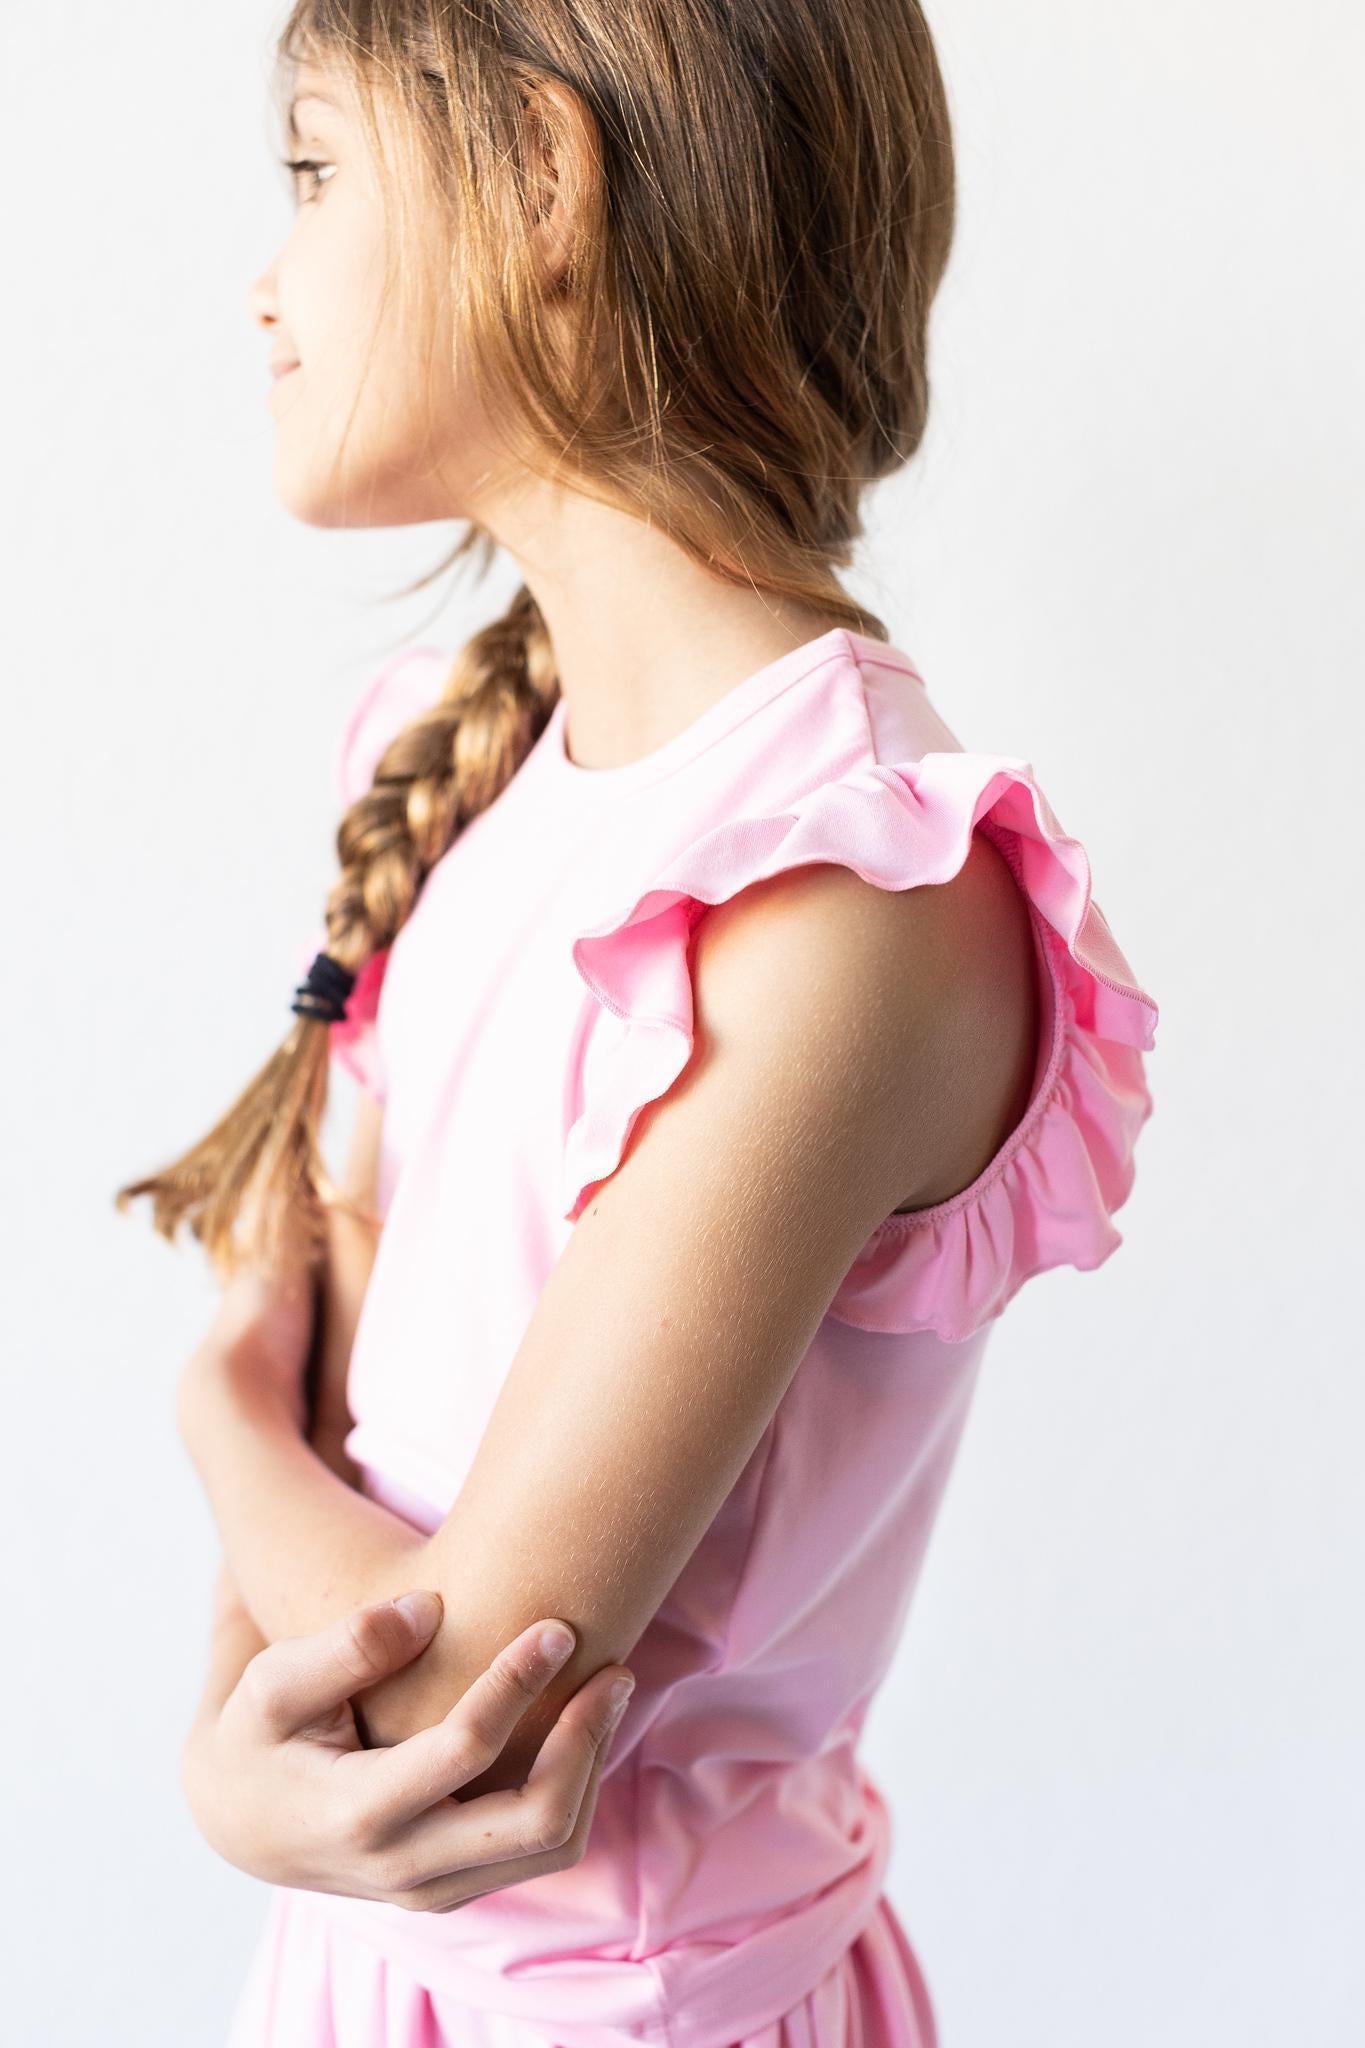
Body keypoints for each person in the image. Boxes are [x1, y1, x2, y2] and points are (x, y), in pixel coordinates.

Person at [116, 3, 1161, 2043]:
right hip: (358, 1982)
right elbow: (343, 1459)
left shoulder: (842, 897)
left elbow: (447, 1697)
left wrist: (205, 1417)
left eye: (314, 173)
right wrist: (230, 1757)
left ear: (544, 187)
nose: (264, 278)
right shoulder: (459, 762)